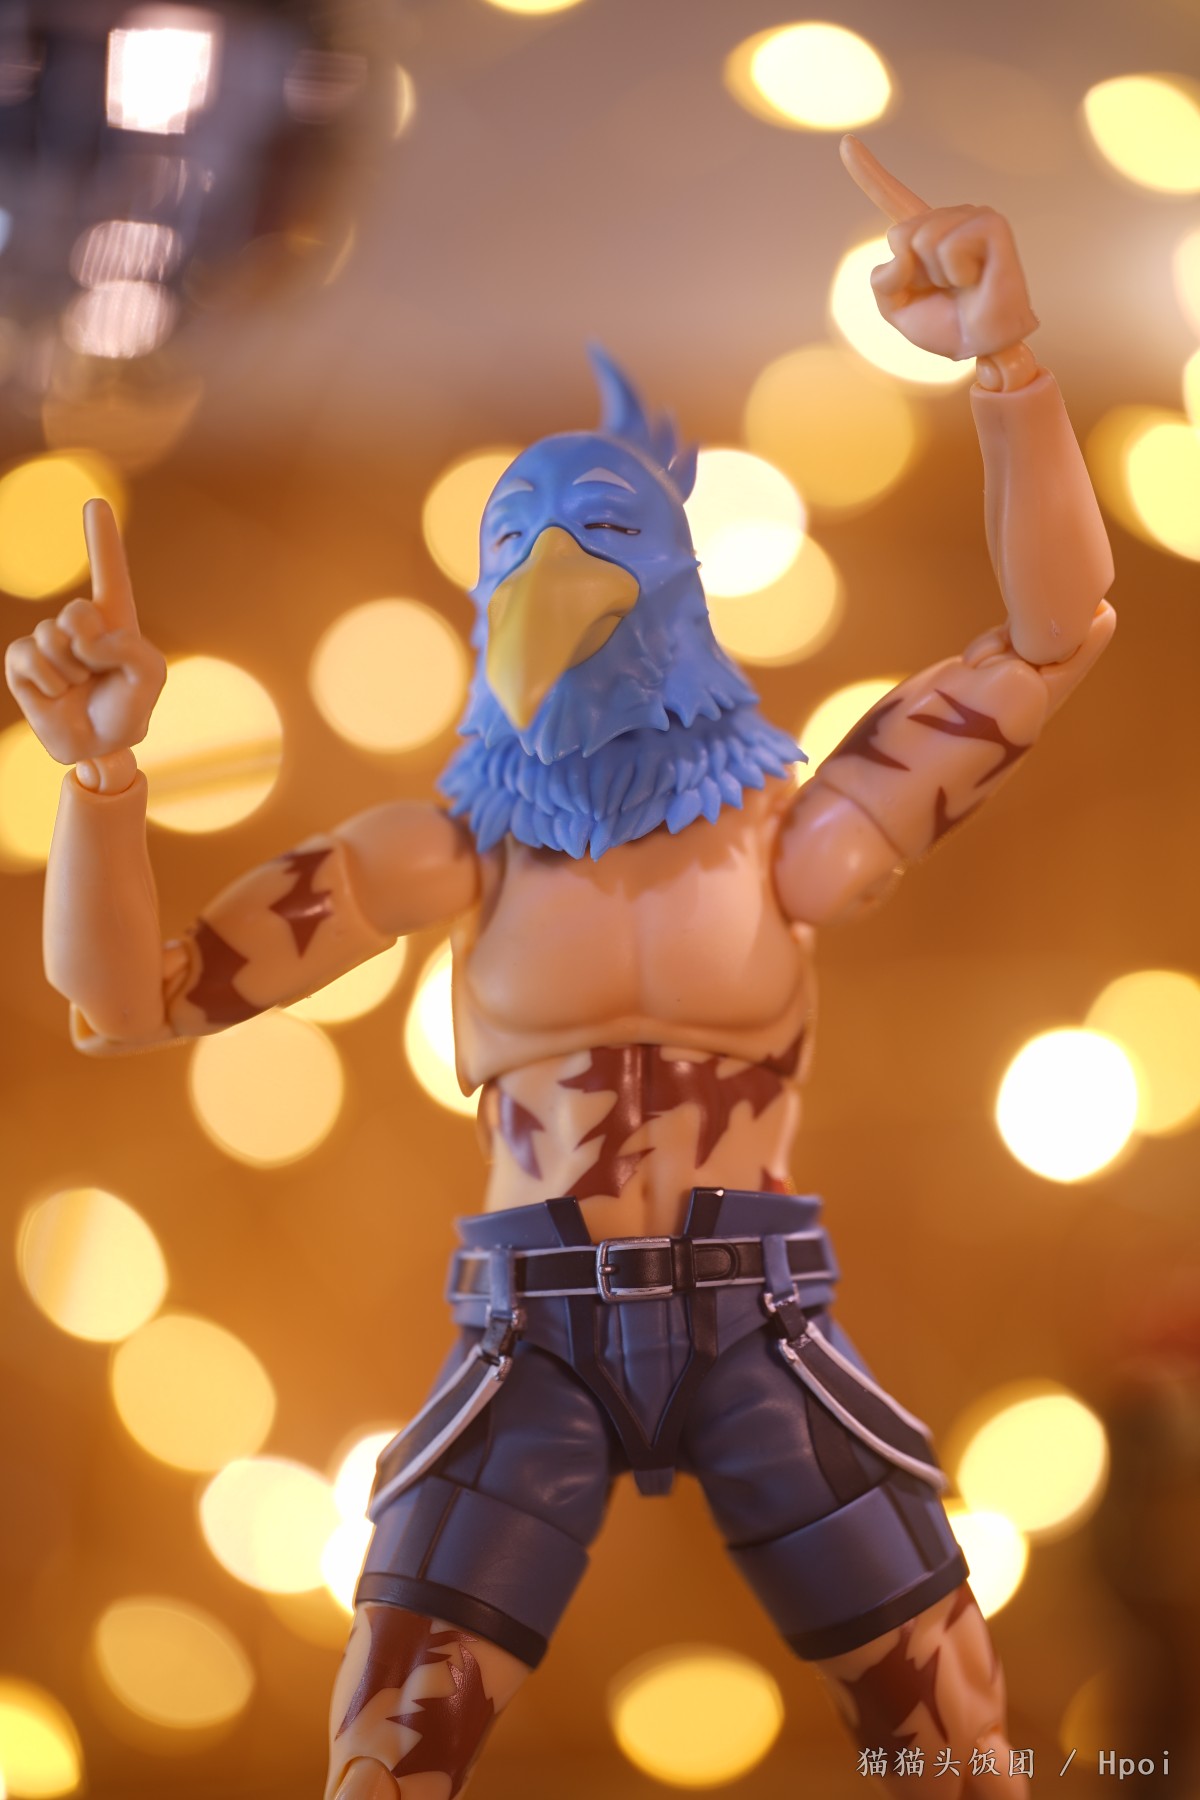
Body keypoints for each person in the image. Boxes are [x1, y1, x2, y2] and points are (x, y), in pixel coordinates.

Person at [5, 139, 1114, 1798]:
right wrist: (99, 778)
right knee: (390, 1744)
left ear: (678, 580)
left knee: (955, 1735)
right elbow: (128, 1000)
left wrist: (1010, 371)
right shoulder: (444, 853)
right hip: (530, 1334)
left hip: (760, 1322)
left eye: (597, 529)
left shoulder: (795, 841)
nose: (550, 566)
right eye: (511, 541)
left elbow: (1051, 637)